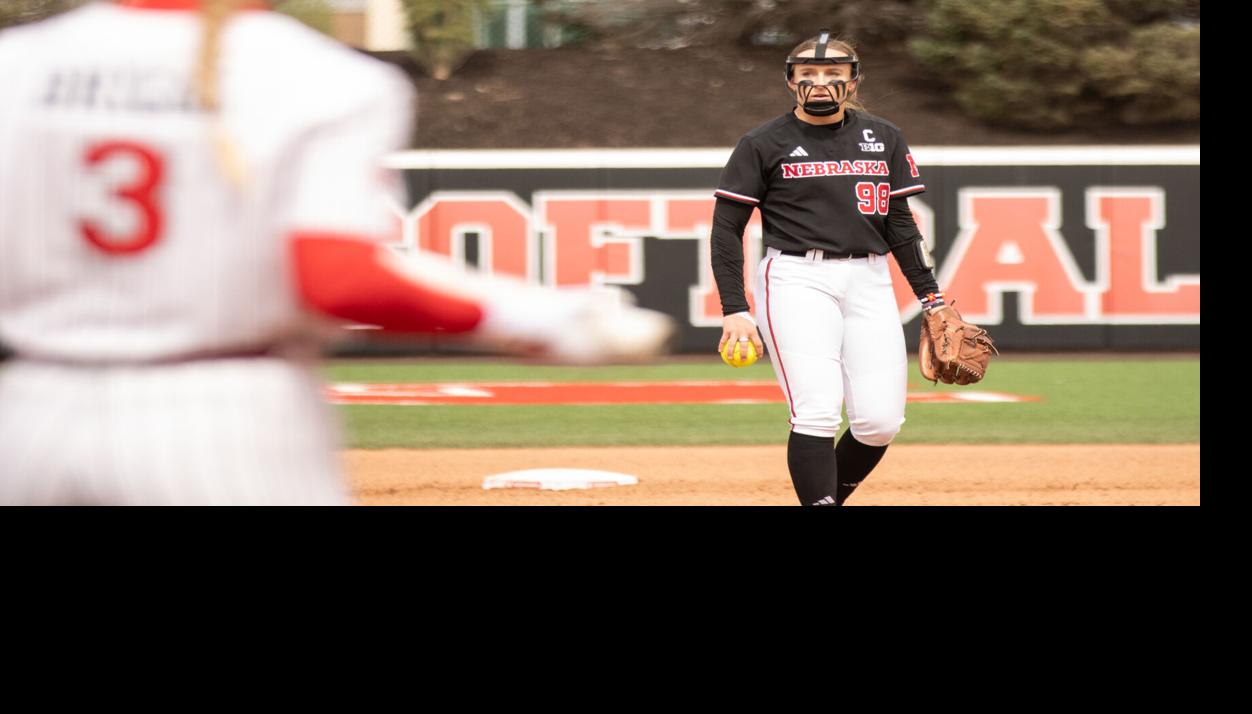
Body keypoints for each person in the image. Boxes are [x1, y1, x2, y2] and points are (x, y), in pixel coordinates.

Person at [0, 0, 671, 505]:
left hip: (28, 417)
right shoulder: (320, 76)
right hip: (222, 420)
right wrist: (535, 316)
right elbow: (337, 279)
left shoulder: (18, 61)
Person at [711, 31, 947, 507]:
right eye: (808, 75)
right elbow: (726, 228)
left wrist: (932, 297)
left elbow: (899, 224)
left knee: (880, 423)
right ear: (791, 81)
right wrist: (735, 307)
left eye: (833, 74)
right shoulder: (762, 142)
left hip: (870, 278)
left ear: (853, 80)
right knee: (817, 410)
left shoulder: (884, 136)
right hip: (797, 277)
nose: (820, 83)